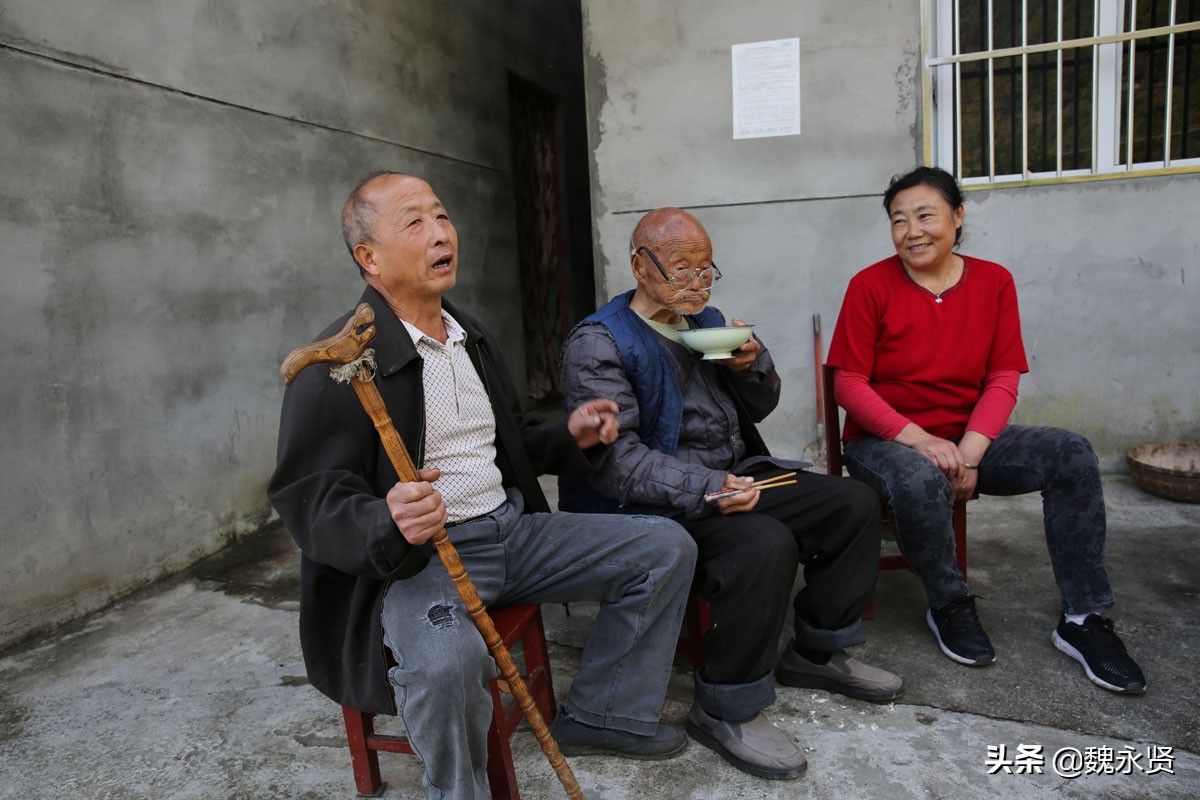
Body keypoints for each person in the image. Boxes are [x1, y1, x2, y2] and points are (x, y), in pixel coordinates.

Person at [268, 172, 699, 800]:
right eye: (414, 222)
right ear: (370, 258)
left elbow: (507, 438)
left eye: (442, 216)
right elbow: (309, 495)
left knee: (664, 548)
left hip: (511, 530)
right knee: (447, 664)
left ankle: (605, 713)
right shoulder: (340, 364)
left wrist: (571, 435)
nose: (441, 233)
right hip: (422, 561)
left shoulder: (469, 335)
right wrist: (384, 517)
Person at [557, 207, 903, 781]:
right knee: (762, 544)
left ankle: (816, 651)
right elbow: (618, 464)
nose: (696, 285)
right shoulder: (600, 343)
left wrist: (752, 363)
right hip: (655, 500)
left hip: (735, 472)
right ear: (640, 267)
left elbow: (756, 409)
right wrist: (709, 486)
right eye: (680, 271)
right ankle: (725, 704)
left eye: (706, 270)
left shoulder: (706, 320)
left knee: (853, 503)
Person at [825, 165, 1146, 694]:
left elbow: (1002, 376)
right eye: (898, 220)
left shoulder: (995, 281)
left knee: (1069, 452)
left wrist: (970, 452)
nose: (912, 231)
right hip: (883, 442)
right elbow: (849, 386)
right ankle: (949, 602)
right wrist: (922, 440)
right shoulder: (869, 286)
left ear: (957, 216)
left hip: (966, 437)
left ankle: (1084, 618)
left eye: (925, 215)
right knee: (918, 477)